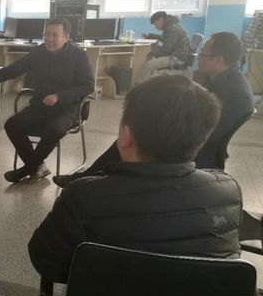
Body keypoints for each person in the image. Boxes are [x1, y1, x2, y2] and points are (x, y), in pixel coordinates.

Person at [28, 74, 241, 288]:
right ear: (202, 141)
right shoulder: (227, 192)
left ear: (125, 136)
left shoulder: (83, 196)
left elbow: (48, 263)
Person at [53, 31, 256, 188]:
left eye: (203, 53)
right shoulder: (226, 80)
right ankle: (92, 177)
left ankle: (91, 180)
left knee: (133, 137)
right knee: (132, 133)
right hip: (192, 140)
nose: (198, 57)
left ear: (219, 60)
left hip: (194, 150)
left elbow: (205, 132)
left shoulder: (232, 93)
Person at [0, 18, 93, 183]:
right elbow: (11, 70)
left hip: (68, 107)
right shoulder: (38, 53)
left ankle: (27, 169)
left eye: (54, 35)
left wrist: (59, 96)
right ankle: (37, 167)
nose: (49, 39)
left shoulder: (79, 56)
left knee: (53, 129)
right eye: (46, 34)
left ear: (66, 37)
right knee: (12, 125)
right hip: (41, 105)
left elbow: (88, 86)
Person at [142, 11, 193, 77]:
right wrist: (150, 35)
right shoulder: (171, 25)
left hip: (179, 57)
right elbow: (165, 39)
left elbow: (167, 48)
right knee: (153, 53)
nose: (155, 27)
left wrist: (155, 56)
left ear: (161, 19)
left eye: (155, 24)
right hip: (180, 55)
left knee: (148, 65)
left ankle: (141, 83)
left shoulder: (172, 28)